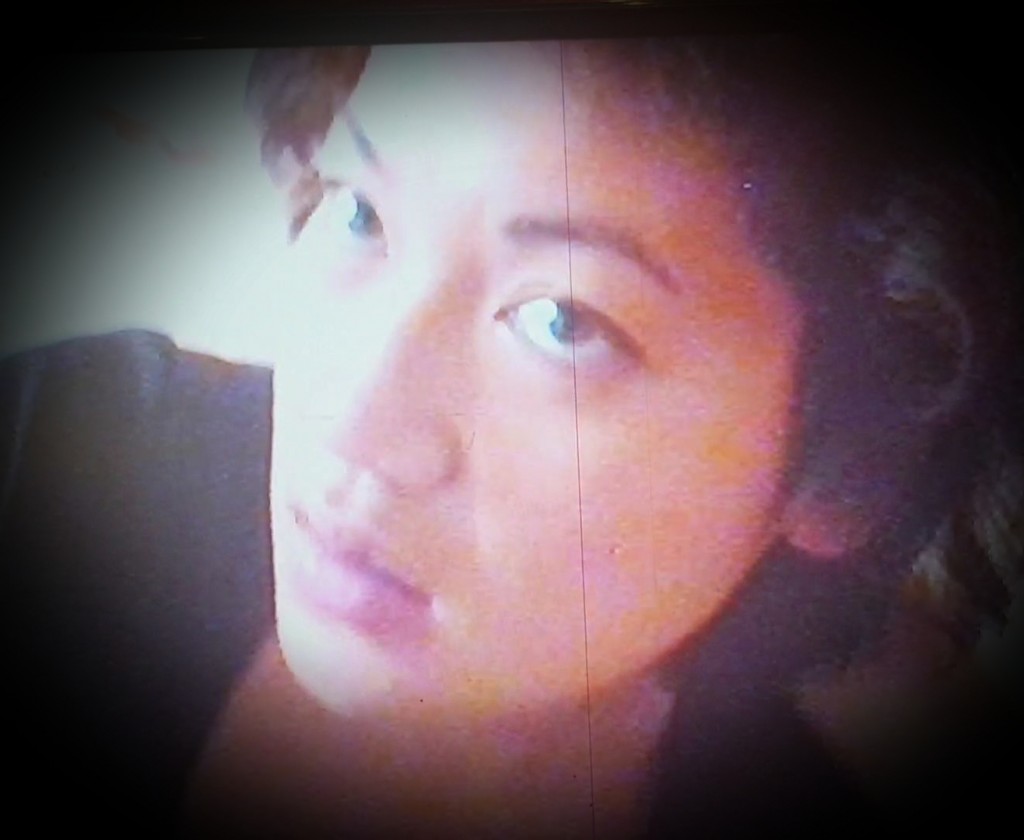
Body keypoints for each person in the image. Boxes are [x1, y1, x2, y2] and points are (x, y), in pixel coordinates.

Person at [3, 36, 1020, 838]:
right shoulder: (57, 449)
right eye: (359, 215)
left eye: (565, 322)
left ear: (847, 470)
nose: (352, 426)